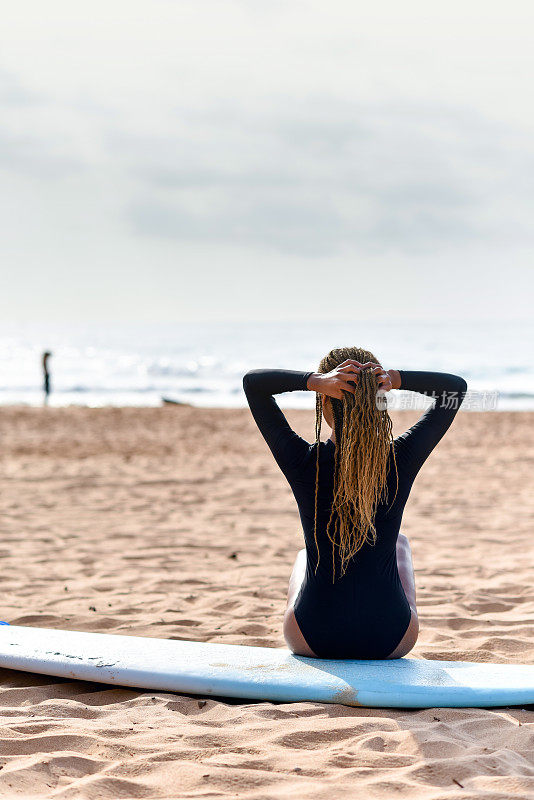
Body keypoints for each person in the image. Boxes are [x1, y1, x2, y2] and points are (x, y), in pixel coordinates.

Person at [243, 347, 467, 660]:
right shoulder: (399, 460)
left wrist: (314, 381)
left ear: (323, 402)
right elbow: (455, 389)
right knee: (399, 544)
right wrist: (394, 378)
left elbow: (254, 383)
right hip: (391, 639)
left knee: (304, 557)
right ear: (379, 401)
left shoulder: (304, 462)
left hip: (312, 637)